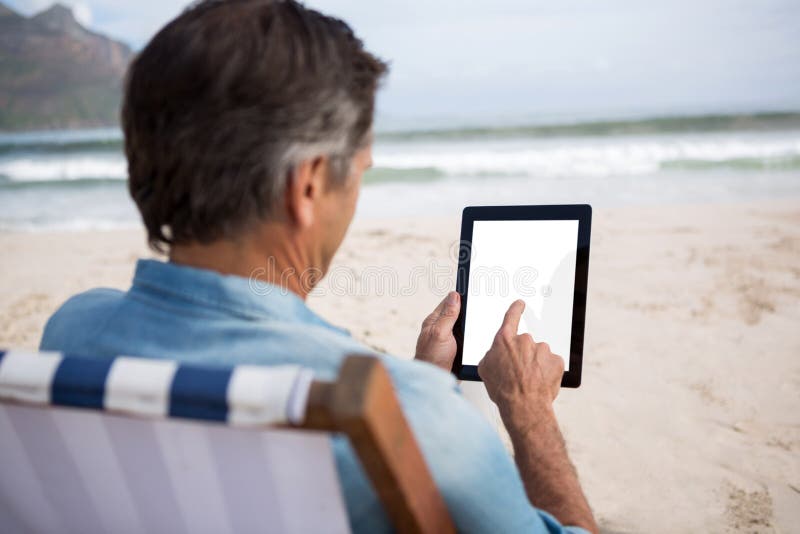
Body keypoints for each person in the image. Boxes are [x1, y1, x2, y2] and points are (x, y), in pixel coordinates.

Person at [40, 1, 598, 532]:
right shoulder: (421, 415)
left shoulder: (72, 331)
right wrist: (529, 415)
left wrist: (421, 379)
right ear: (306, 186)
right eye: (359, 172)